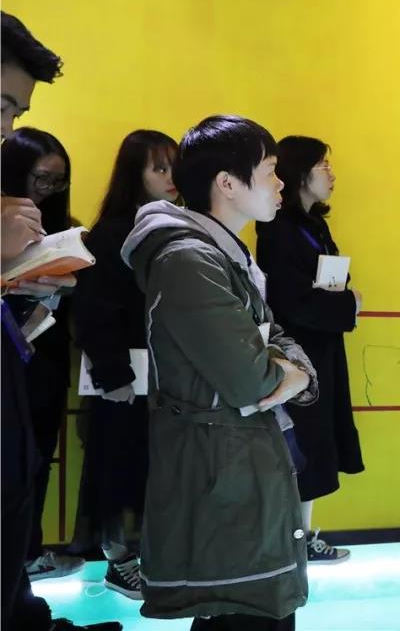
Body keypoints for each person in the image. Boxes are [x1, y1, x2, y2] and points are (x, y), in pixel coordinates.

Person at [120, 115, 317, 630]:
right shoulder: (189, 260)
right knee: (240, 613)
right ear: (227, 183)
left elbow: (277, 340)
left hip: (238, 457)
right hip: (219, 470)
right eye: (270, 170)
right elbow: (254, 379)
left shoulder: (226, 256)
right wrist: (286, 374)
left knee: (253, 609)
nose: (280, 183)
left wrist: (291, 371)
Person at [1, 10, 118, 631]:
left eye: (14, 114)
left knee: (25, 474)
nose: (4, 128)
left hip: (32, 367)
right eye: (2, 107)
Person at [70, 130, 180, 600]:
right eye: (160, 168)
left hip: (161, 373)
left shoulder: (171, 226)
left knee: (152, 465)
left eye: (174, 167)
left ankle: (145, 557)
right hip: (124, 372)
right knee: (117, 463)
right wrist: (114, 373)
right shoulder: (116, 231)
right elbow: (96, 310)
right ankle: (119, 560)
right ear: (136, 174)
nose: (171, 178)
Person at [256, 136, 363, 564]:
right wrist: (347, 304)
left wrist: (344, 302)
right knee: (299, 447)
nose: (331, 174)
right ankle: (289, 541)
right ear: (299, 172)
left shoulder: (314, 224)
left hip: (323, 348)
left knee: (316, 447)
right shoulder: (277, 228)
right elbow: (291, 300)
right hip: (296, 354)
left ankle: (301, 538)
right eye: (323, 165)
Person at [0, 128, 87, 583]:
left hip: (45, 362)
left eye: (58, 181)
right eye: (41, 178)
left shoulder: (62, 227)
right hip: (8, 362)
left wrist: (66, 286)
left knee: (38, 461)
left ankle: (28, 555)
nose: (49, 189)